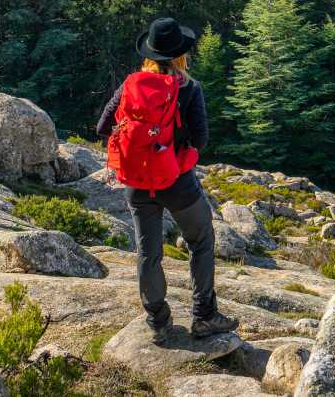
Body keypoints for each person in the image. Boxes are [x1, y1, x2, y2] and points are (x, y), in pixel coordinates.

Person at [97, 17, 239, 341]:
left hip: (136, 183)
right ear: (180, 55)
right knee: (201, 240)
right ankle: (204, 316)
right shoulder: (188, 87)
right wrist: (173, 140)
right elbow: (201, 140)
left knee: (148, 253)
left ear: (149, 52)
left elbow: (103, 128)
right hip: (176, 182)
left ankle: (158, 322)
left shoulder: (131, 85)